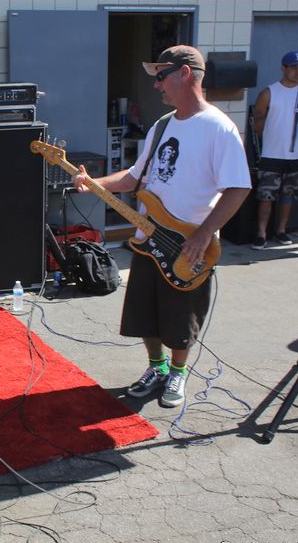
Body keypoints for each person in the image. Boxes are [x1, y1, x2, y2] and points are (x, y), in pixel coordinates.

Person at [74, 46, 251, 408]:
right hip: (147, 236)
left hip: (189, 242)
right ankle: (156, 367)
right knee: (145, 312)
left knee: (180, 317)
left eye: (161, 76)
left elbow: (239, 187)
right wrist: (95, 183)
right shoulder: (162, 126)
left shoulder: (219, 127)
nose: (156, 85)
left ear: (185, 74)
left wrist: (204, 234)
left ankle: (178, 372)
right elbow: (134, 177)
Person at [251, 50, 298, 249]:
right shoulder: (269, 92)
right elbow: (258, 121)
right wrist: (270, 137)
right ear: (283, 68)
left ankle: (281, 230)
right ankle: (261, 232)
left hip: (294, 154)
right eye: (293, 67)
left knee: (288, 194)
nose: (297, 71)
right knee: (266, 195)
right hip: (272, 153)